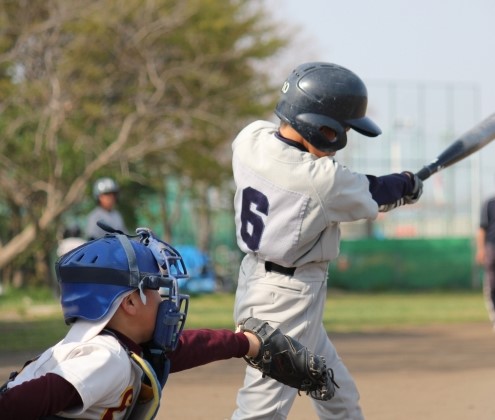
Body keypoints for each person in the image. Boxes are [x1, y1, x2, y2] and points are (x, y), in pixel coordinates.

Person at [231, 62, 423, 419]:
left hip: (261, 283)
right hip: (285, 303)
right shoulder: (321, 179)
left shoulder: (249, 139)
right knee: (261, 410)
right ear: (318, 126)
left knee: (337, 394)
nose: (339, 139)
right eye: (339, 128)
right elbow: (374, 191)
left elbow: (353, 186)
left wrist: (398, 185)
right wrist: (408, 184)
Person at [0, 227, 272, 419]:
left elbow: (185, 348)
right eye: (155, 289)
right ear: (129, 303)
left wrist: (244, 343)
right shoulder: (105, 358)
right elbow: (13, 404)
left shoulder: (120, 348)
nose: (164, 300)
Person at [475, 194, 495, 329]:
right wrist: (481, 249)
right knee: (492, 284)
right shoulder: (489, 203)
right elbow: (482, 228)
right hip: (492, 248)